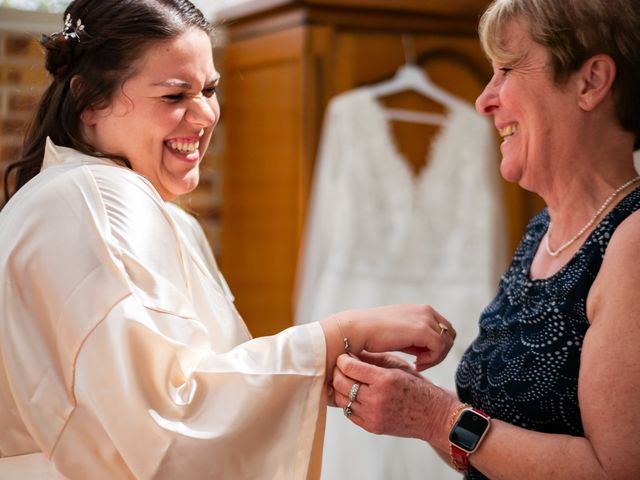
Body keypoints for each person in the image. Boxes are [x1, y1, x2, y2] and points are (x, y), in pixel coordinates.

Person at [0, 1, 456, 478]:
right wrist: (340, 333)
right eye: (174, 96)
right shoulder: (98, 198)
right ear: (91, 101)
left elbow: (174, 391)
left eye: (210, 90)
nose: (203, 115)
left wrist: (321, 370)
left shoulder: (133, 207)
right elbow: (171, 428)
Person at [332, 0, 640, 478]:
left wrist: (436, 417)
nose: (484, 99)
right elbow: (488, 445)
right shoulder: (544, 232)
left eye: (506, 70)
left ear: (591, 81)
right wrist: (406, 401)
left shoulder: (633, 243)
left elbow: (615, 471)